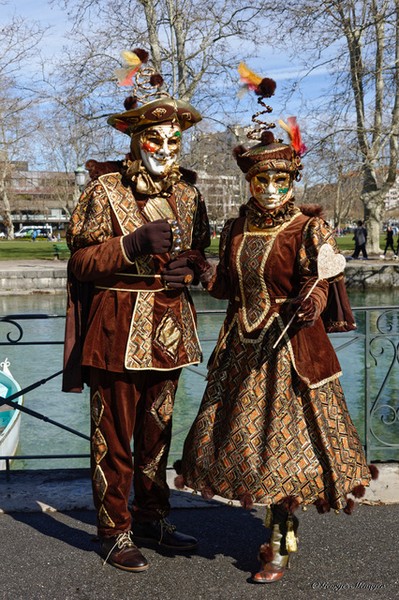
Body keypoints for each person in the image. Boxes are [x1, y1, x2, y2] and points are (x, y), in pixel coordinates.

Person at [175, 69, 376, 584]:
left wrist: (311, 300)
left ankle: (278, 543)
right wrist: (201, 270)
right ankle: (274, 531)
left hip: (291, 352)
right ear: (249, 182)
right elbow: (230, 287)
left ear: (291, 181)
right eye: (260, 180)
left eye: (278, 180)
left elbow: (322, 276)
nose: (268, 188)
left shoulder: (309, 227)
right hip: (242, 349)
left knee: (287, 449)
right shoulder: (237, 227)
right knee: (247, 447)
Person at [62, 48, 211, 572]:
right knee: (114, 437)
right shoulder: (103, 190)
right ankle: (114, 530)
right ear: (134, 138)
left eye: (174, 141)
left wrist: (190, 270)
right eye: (155, 139)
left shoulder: (190, 196)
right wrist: (132, 245)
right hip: (115, 326)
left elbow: (200, 254)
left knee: (156, 436)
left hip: (169, 328)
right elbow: (80, 261)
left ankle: (153, 517)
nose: (165, 149)